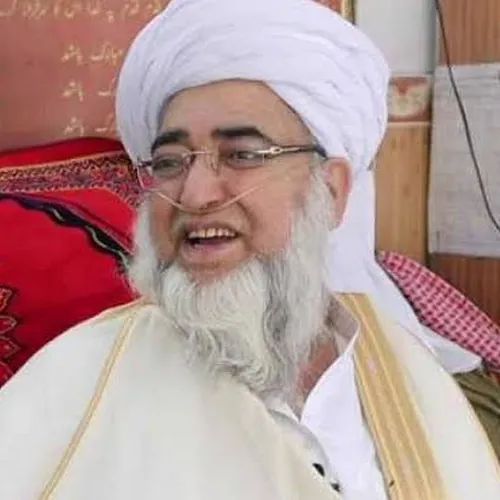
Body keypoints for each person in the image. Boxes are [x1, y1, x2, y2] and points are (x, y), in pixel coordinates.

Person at [1, 0, 499, 498]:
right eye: (170, 162)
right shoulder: (77, 383)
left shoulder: (412, 379)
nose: (195, 195)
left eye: (242, 154)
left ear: (331, 190)